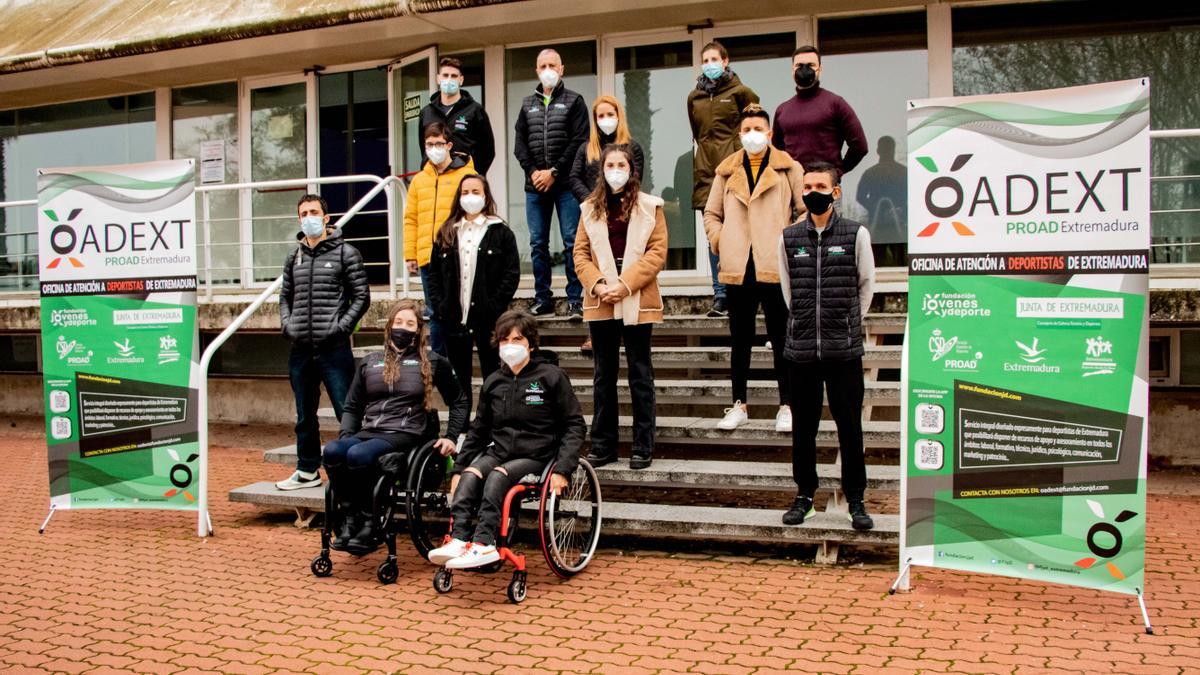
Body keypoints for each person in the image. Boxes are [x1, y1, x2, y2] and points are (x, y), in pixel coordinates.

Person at [428, 310, 586, 569]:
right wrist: (458, 469)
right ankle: (457, 539)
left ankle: (484, 543)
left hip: (537, 454)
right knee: (470, 475)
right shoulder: (494, 381)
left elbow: (574, 424)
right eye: (504, 340)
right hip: (500, 450)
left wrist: (563, 468)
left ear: (531, 344)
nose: (510, 346)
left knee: (498, 476)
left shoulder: (551, 376)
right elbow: (479, 430)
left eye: (517, 339)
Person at [323, 300, 469, 553]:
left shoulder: (433, 361)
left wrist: (452, 436)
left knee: (358, 454)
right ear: (389, 325)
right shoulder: (370, 362)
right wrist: (347, 434)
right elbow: (352, 406)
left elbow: (459, 400)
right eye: (398, 322)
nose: (403, 328)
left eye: (410, 324)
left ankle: (370, 521)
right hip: (371, 430)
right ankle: (349, 518)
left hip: (407, 433)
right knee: (334, 451)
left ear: (418, 330)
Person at [778, 161, 875, 531]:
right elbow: (789, 291)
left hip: (843, 350)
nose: (812, 192)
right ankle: (805, 496)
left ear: (836, 192)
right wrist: (806, 322)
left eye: (820, 186)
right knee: (804, 428)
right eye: (807, 186)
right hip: (801, 351)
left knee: (849, 426)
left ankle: (856, 499)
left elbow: (866, 286)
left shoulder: (855, 234)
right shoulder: (788, 238)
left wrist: (846, 323)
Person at [703, 104, 804, 434]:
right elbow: (711, 214)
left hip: (774, 263)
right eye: (746, 130)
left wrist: (788, 241)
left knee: (780, 336)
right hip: (738, 265)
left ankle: (787, 404)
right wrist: (722, 240)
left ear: (770, 133)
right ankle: (738, 404)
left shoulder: (789, 169)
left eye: (758, 129)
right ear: (739, 134)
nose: (752, 135)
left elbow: (803, 211)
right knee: (740, 338)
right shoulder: (725, 171)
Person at [574, 144, 667, 471]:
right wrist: (599, 284)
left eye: (621, 164)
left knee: (640, 372)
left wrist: (624, 284)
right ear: (602, 170)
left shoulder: (650, 207)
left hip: (637, 297)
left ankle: (643, 444)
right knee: (604, 374)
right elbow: (580, 255)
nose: (615, 169)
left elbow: (657, 253)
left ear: (631, 170)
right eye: (609, 164)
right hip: (601, 299)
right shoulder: (589, 209)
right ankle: (603, 444)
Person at [276, 194, 370, 491]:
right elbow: (284, 297)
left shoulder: (346, 253)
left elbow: (361, 297)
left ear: (327, 218)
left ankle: (351, 471)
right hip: (300, 349)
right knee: (304, 414)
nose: (309, 217)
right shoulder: (294, 257)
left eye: (314, 212)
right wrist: (288, 325)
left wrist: (341, 328)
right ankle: (307, 470)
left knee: (347, 411)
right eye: (303, 213)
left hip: (334, 349)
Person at [426, 174, 520, 412]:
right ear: (458, 197)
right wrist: (441, 305)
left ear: (485, 196)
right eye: (465, 192)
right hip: (453, 319)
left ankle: (490, 425)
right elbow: (434, 275)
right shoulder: (446, 232)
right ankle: (462, 428)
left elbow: (511, 274)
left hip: (488, 319)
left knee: (493, 374)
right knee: (459, 377)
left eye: (475, 192)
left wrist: (494, 305)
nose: (470, 197)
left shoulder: (500, 232)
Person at [513, 48, 591, 319]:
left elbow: (580, 141)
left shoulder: (574, 101)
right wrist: (534, 171)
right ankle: (542, 297)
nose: (547, 69)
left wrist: (555, 172)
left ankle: (575, 299)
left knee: (572, 241)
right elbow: (519, 145)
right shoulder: (526, 105)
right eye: (542, 65)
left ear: (562, 69)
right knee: (537, 243)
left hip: (566, 185)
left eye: (552, 65)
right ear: (537, 70)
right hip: (535, 187)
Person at [568, 94, 645, 354]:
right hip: (594, 217)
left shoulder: (632, 148)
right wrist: (592, 202)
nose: (605, 120)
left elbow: (636, 178)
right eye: (600, 116)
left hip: (624, 217)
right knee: (595, 270)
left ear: (619, 115)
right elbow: (574, 177)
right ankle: (596, 335)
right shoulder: (585, 149)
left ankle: (627, 329)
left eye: (609, 114)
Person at [688, 41, 759, 318]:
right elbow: (698, 133)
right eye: (705, 60)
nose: (710, 64)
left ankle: (748, 288)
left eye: (714, 58)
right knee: (713, 235)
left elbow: (755, 128)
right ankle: (720, 295)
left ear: (725, 60)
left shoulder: (742, 92)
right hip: (707, 172)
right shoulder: (694, 97)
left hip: (737, 171)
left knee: (745, 231)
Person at [404, 122, 476, 354]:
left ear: (449, 145)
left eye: (438, 143)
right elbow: (411, 219)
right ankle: (438, 363)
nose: (434, 148)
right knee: (434, 312)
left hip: (458, 256)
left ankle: (459, 361)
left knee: (460, 309)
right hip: (427, 257)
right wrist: (410, 254)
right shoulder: (418, 180)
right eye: (429, 144)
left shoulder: (467, 175)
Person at [771, 46, 868, 176]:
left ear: (820, 70)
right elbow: (778, 153)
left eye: (810, 65)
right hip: (793, 187)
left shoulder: (835, 103)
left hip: (826, 187)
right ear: (792, 70)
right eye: (799, 65)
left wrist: (837, 172)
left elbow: (860, 146)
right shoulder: (782, 110)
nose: (804, 70)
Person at [419, 57, 496, 176]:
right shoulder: (426, 112)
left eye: (454, 76)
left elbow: (487, 150)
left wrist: (473, 175)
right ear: (438, 79)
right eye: (445, 75)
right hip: (434, 179)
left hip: (464, 180)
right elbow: (423, 147)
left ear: (461, 80)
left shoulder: (475, 110)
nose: (449, 79)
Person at [855, 135, 907, 267]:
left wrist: (874, 208)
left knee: (878, 262)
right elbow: (860, 196)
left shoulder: (871, 173)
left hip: (888, 224)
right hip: (883, 224)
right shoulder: (902, 172)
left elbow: (860, 196)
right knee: (898, 261)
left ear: (878, 150)